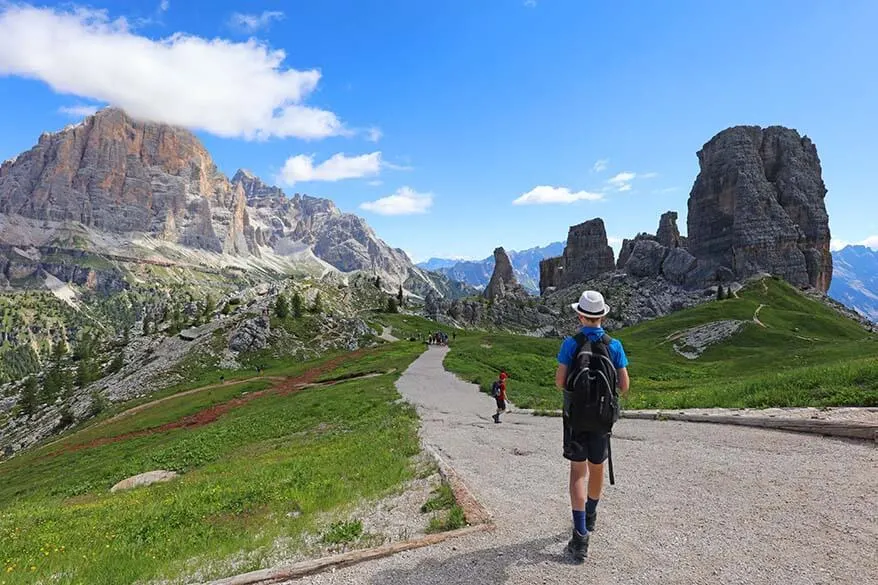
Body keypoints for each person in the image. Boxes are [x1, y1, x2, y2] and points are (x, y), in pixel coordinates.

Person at [555, 290, 629, 562]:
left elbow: (560, 382)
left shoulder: (570, 344)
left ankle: (580, 537)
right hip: (602, 420)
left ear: (580, 316)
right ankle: (592, 514)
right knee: (596, 467)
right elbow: (624, 385)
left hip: (575, 419)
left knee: (577, 472)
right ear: (602, 316)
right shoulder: (615, 346)